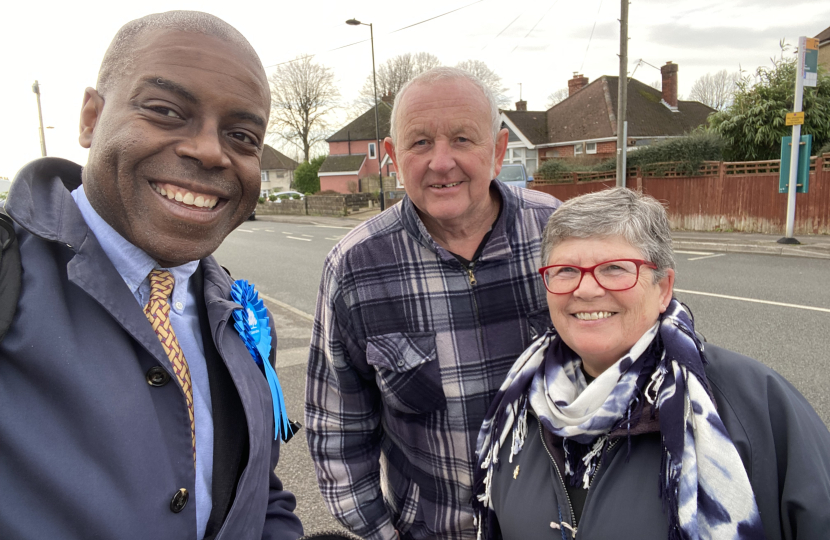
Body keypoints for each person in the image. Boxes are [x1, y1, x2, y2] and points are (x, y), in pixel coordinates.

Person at [0, 12, 303, 540]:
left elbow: (257, 490)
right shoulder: (8, 275)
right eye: (165, 111)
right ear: (91, 118)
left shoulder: (243, 318)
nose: (210, 150)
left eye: (241, 135)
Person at [475, 187, 830, 540]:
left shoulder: (755, 406)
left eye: (615, 268)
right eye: (566, 270)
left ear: (663, 288)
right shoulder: (519, 407)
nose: (585, 289)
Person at [305, 67, 561, 540]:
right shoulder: (356, 265)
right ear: (392, 157)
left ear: (499, 150)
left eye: (463, 139)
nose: (442, 162)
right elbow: (339, 433)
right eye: (419, 143)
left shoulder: (560, 236)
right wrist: (382, 534)